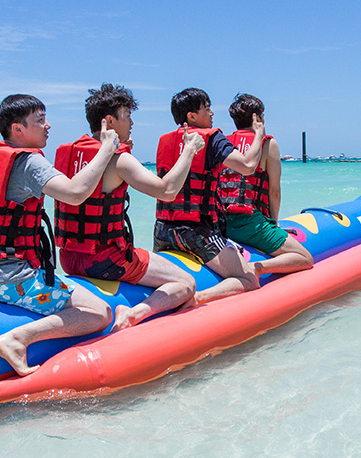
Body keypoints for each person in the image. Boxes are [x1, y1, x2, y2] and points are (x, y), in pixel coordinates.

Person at [0, 94, 120, 376]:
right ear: (17, 129)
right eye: (40, 120)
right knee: (100, 312)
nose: (48, 126)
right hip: (10, 279)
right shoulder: (28, 163)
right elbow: (74, 194)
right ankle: (18, 338)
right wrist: (106, 149)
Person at [54, 83, 206, 330]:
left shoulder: (70, 154)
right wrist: (188, 151)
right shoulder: (119, 160)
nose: (132, 123)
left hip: (70, 259)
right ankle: (133, 314)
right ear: (110, 122)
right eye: (127, 116)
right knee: (185, 283)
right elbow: (166, 191)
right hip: (105, 260)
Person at [153, 87, 266, 304]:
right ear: (192, 116)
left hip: (163, 231)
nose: (212, 113)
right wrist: (258, 135)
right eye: (207, 109)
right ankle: (196, 298)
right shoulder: (212, 139)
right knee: (249, 279)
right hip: (196, 231)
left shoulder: (165, 141)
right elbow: (248, 166)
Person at [218, 93, 313, 277]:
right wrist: (274, 224)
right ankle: (256, 268)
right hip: (249, 224)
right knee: (305, 258)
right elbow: (274, 191)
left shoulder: (222, 143)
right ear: (258, 117)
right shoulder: (268, 144)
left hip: (221, 224)